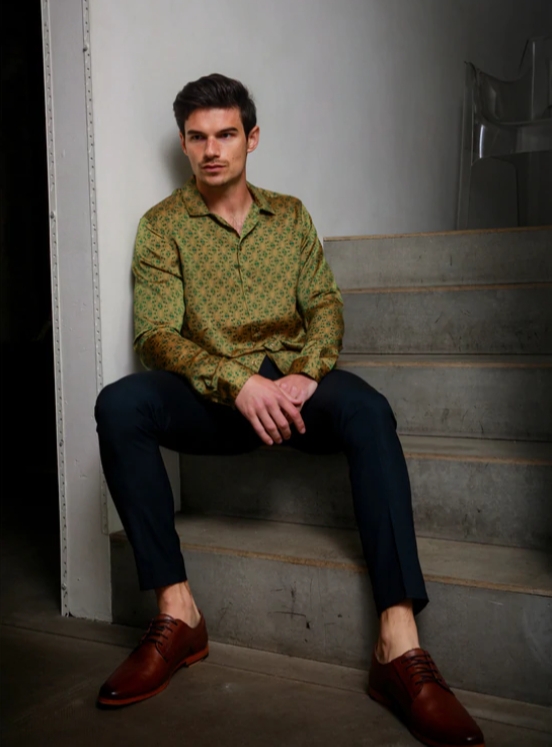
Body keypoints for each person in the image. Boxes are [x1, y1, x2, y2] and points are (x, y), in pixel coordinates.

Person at [94, 73, 484, 747]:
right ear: (184, 145)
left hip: (297, 392)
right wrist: (238, 381)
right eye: (197, 137)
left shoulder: (293, 216)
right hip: (218, 401)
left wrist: (307, 370)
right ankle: (177, 610)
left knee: (369, 410)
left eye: (225, 134)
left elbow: (324, 305)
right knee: (119, 404)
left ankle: (399, 644)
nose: (212, 150)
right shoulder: (161, 228)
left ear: (252, 137)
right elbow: (156, 334)